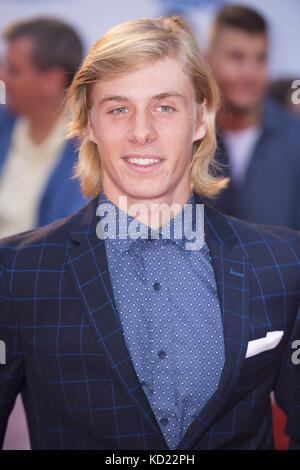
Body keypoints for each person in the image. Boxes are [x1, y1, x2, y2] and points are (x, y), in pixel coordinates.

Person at [0, 15, 299, 451]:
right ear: (88, 124)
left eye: (165, 107)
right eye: (119, 108)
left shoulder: (284, 264)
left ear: (200, 119)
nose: (142, 132)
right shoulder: (16, 273)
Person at [206, 5, 300, 229]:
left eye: (260, 59)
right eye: (236, 57)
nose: (250, 73)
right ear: (208, 60)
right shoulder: (186, 138)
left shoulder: (295, 140)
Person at [0, 17, 89, 239]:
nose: (2, 77)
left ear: (52, 80)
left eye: (13, 70)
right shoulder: (4, 124)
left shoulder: (91, 151)